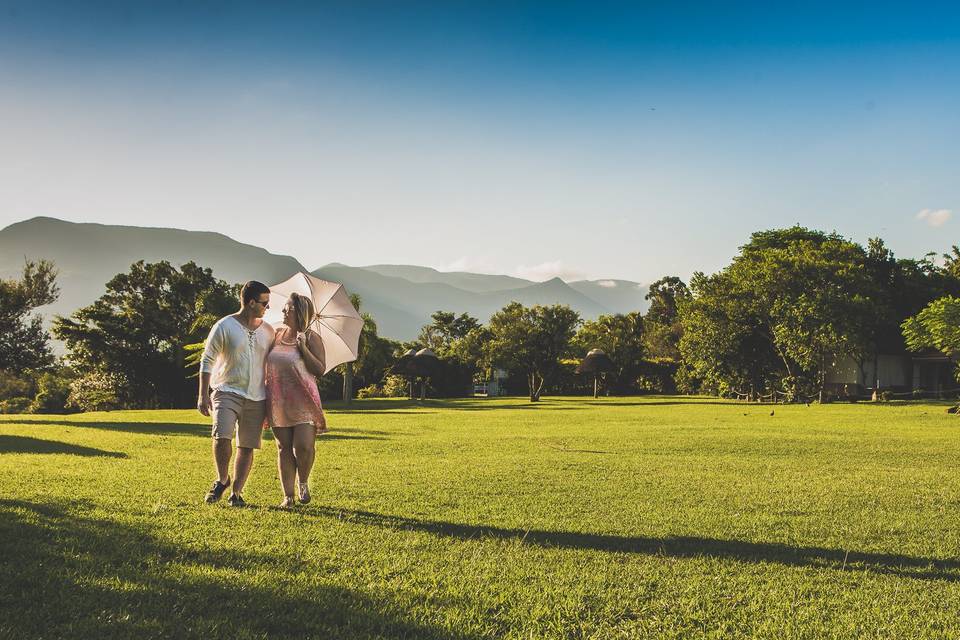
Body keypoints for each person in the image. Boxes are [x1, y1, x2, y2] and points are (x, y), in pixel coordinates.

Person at [198, 281, 275, 507]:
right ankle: (222, 480)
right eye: (264, 303)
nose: (267, 308)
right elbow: (207, 359)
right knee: (222, 437)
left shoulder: (268, 331)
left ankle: (237, 493)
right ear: (251, 303)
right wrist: (203, 394)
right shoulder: (224, 326)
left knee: (247, 445)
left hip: (257, 396)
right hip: (226, 391)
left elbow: (275, 363)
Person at [264, 292, 327, 508]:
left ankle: (303, 482)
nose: (283, 311)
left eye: (287, 308)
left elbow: (319, 369)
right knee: (283, 447)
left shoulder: (312, 338)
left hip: (304, 401)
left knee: (304, 446)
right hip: (278, 400)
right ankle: (288, 497)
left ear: (298, 312)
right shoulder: (276, 334)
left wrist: (304, 349)